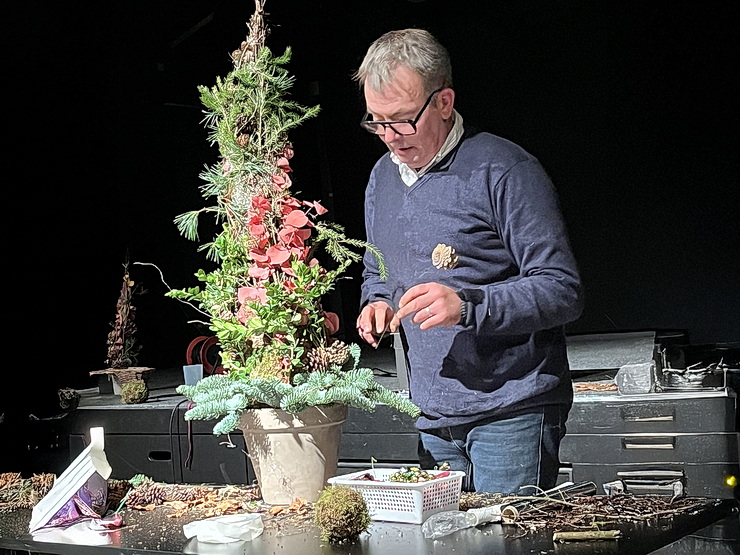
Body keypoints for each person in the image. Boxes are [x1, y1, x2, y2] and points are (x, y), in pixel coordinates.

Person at [353, 28, 584, 494]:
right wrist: (376, 301)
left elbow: (562, 289)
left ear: (444, 102)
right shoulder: (382, 178)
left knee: (504, 533)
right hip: (432, 417)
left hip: (512, 411)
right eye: (376, 122)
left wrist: (467, 306)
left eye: (402, 120)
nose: (390, 138)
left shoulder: (503, 169)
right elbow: (378, 269)